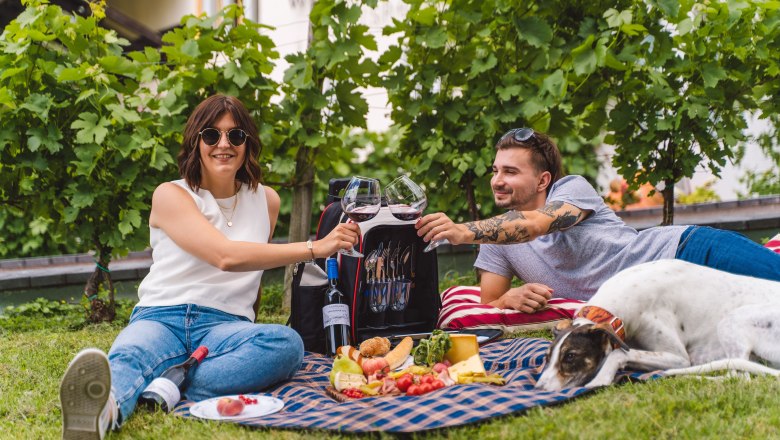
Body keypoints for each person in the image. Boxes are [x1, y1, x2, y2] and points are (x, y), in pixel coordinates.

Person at [59, 94, 360, 439]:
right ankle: (103, 413)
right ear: (196, 142)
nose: (223, 144)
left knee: (286, 345)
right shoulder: (171, 194)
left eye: (235, 136)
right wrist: (314, 248)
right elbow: (226, 256)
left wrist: (247, 323)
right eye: (211, 135)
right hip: (162, 316)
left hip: (224, 327)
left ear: (247, 144)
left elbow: (253, 272)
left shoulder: (267, 201)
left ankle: (167, 382)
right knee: (132, 353)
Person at [416, 127, 780, 319]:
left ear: (543, 181)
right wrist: (509, 297)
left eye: (510, 171)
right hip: (659, 295)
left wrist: (464, 230)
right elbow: (489, 301)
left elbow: (535, 225)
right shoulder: (497, 237)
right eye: (496, 170)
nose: (497, 180)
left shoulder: (572, 189)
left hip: (688, 251)